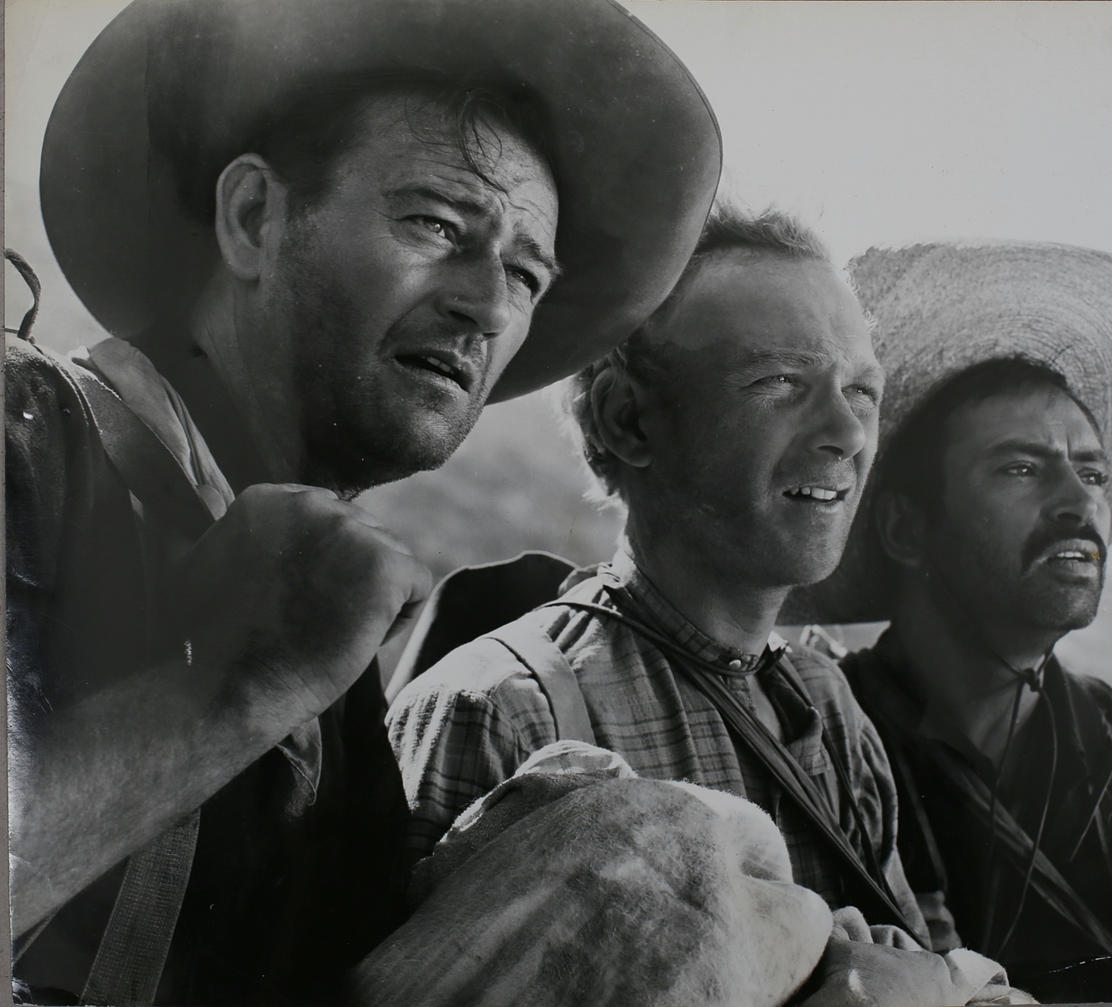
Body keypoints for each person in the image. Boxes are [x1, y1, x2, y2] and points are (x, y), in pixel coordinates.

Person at [6, 0, 720, 1002]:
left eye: (526, 273)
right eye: (436, 223)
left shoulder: (334, 624)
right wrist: (242, 682)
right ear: (253, 218)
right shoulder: (27, 432)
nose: (487, 305)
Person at [388, 206, 975, 991]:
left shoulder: (828, 707)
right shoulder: (503, 711)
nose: (848, 431)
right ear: (628, 419)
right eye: (781, 382)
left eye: (861, 390)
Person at [788, 241, 1112, 1001]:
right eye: (1021, 468)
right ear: (907, 528)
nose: (1079, 502)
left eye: (1092, 471)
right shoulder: (822, 740)